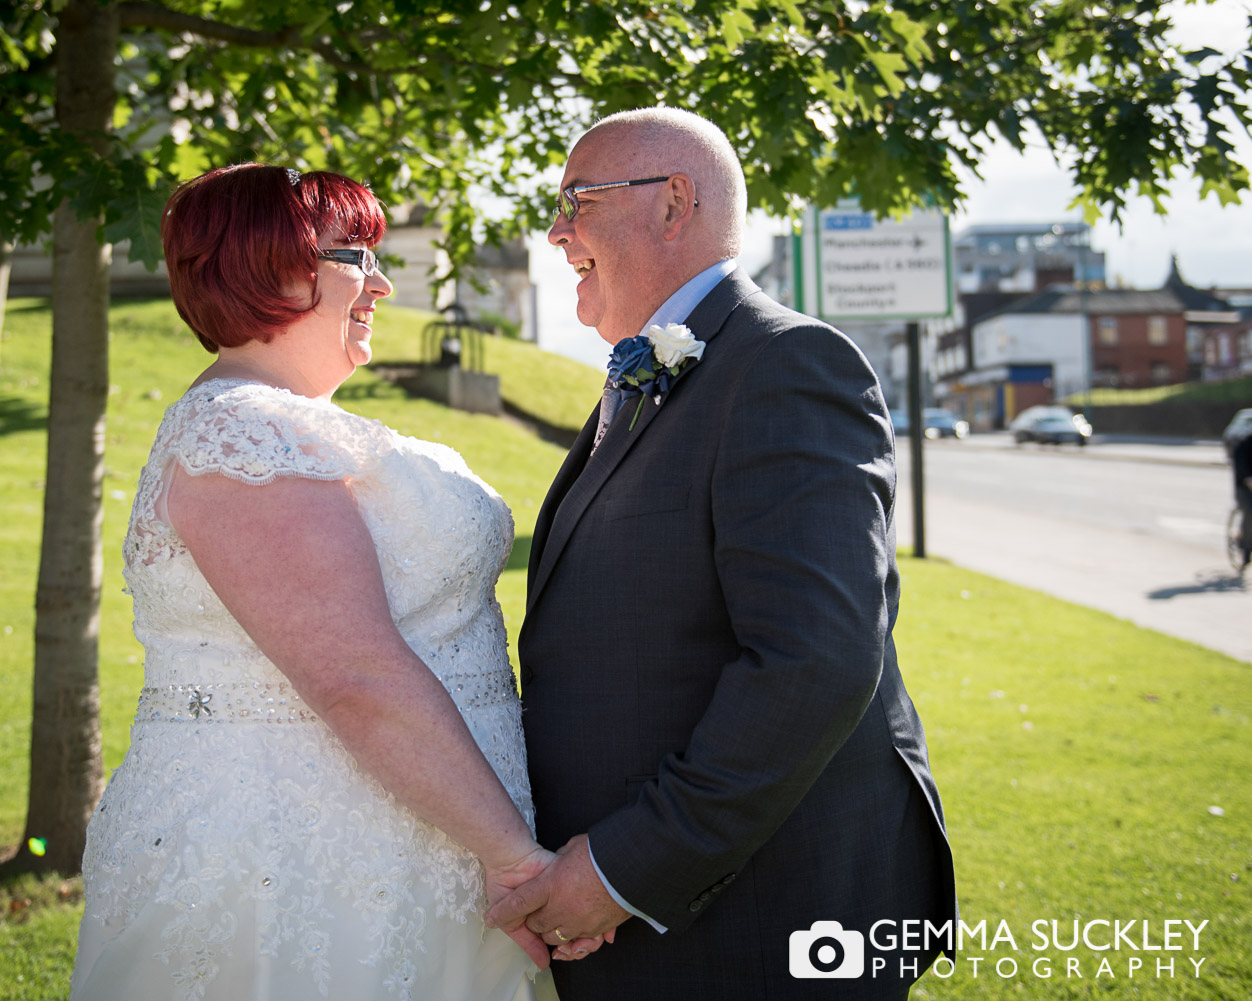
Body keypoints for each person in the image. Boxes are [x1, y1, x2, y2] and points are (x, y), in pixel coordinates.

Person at [70, 163, 597, 1001]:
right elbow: (355, 677)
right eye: (353, 254)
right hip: (305, 856)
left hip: (408, 840)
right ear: (267, 264)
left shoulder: (287, 423)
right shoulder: (238, 439)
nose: (382, 282)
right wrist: (515, 860)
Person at [486, 109, 956, 1000]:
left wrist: (625, 868)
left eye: (576, 199)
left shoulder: (788, 366)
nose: (554, 230)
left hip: (760, 916)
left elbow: (812, 663)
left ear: (674, 202)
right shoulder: (645, 375)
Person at [1233, 429, 1252, 569]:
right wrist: (1247, 479)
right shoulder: (1244, 443)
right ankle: (1246, 550)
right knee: (1250, 513)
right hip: (1244, 488)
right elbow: (1240, 465)